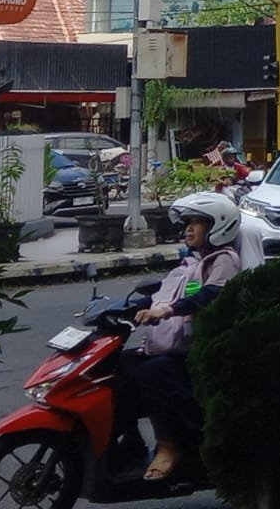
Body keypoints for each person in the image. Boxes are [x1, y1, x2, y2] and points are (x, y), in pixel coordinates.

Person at [120, 191, 243, 481]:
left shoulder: (224, 260)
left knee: (153, 372)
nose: (188, 228)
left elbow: (210, 295)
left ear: (218, 226)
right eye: (187, 222)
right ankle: (131, 440)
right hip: (175, 347)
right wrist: (124, 308)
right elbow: (161, 294)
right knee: (120, 365)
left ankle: (169, 446)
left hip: (202, 349)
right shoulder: (189, 264)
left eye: (197, 222)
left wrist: (168, 311)